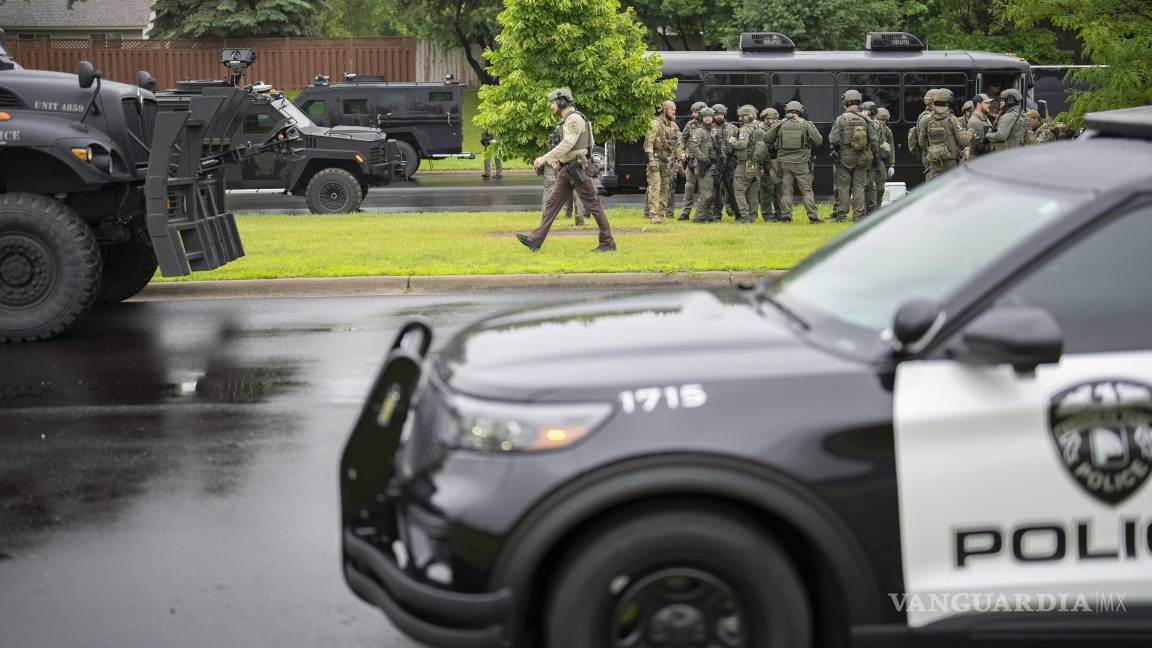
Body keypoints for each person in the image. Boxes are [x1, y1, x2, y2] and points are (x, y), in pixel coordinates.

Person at [516, 88, 615, 252]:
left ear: (562, 102)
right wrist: (557, 160)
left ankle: (607, 242)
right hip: (567, 170)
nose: (551, 106)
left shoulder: (574, 118)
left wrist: (545, 158)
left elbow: (569, 143)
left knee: (593, 206)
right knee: (551, 205)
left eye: (552, 103)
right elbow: (568, 148)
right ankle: (535, 240)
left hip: (577, 169)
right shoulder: (567, 120)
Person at [764, 100, 823, 224]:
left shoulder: (780, 124)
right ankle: (813, 217)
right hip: (802, 163)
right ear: (800, 111)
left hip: (784, 164)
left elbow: (767, 138)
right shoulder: (806, 124)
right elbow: (818, 141)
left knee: (786, 191)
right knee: (806, 191)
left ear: (787, 111)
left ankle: (785, 217)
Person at [829, 89, 880, 222]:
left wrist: (838, 150)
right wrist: (875, 157)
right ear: (859, 103)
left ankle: (841, 216)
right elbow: (874, 141)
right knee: (859, 187)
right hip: (862, 158)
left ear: (845, 103)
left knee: (844, 187)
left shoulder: (841, 119)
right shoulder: (866, 120)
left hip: (844, 157)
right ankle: (859, 216)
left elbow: (833, 139)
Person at [643, 99, 681, 223]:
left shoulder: (674, 126)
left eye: (675, 109)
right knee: (655, 186)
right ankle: (653, 214)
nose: (674, 112)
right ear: (664, 110)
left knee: (665, 187)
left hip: (668, 162)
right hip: (656, 160)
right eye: (672, 109)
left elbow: (678, 144)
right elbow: (648, 143)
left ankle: (661, 214)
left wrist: (680, 158)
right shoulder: (655, 123)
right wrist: (651, 160)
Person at [917, 87, 965, 181]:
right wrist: (970, 132)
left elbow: (921, 142)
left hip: (934, 163)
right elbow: (961, 141)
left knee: (935, 191)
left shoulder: (927, 120)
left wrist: (933, 150)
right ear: (947, 103)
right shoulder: (953, 119)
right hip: (951, 164)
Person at [687, 106, 720, 223]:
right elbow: (692, 146)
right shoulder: (699, 131)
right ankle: (698, 218)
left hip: (712, 166)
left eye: (710, 117)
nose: (708, 119)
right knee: (706, 194)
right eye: (705, 117)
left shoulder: (713, 131)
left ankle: (708, 216)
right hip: (702, 166)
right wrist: (704, 158)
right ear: (701, 118)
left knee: (711, 194)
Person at [730, 105, 762, 223]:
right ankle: (753, 216)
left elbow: (742, 145)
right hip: (755, 163)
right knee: (753, 191)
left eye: (741, 115)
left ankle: (744, 216)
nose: (739, 118)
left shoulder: (744, 129)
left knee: (739, 190)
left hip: (744, 163)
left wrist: (734, 142)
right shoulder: (758, 127)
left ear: (747, 116)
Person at [677, 101, 707, 221]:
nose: (692, 114)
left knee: (703, 188)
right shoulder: (690, 124)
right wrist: (682, 152)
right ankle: (685, 213)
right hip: (691, 161)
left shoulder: (710, 125)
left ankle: (702, 213)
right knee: (689, 187)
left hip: (704, 162)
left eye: (695, 112)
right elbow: (682, 140)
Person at [710, 104, 740, 221]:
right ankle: (716, 215)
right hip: (715, 164)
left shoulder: (733, 128)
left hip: (730, 164)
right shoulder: (709, 128)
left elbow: (740, 143)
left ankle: (737, 213)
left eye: (721, 114)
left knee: (732, 190)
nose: (719, 117)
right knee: (716, 191)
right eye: (717, 114)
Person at [756, 107, 784, 222]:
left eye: (772, 119)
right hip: (766, 163)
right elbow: (759, 151)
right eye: (768, 119)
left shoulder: (781, 128)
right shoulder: (760, 130)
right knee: (766, 190)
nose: (770, 121)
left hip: (778, 163)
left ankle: (780, 213)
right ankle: (767, 215)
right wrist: (760, 167)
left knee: (779, 190)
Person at [907, 89, 936, 175]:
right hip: (929, 154)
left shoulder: (924, 115)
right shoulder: (927, 117)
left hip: (929, 153)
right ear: (932, 102)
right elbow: (923, 141)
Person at [873, 107, 895, 210]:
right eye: (880, 119)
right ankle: (867, 208)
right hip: (868, 160)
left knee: (881, 187)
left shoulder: (887, 131)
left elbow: (891, 147)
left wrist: (892, 165)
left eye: (884, 120)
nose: (882, 122)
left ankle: (877, 207)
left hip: (879, 160)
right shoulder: (870, 128)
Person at [966, 93, 995, 159]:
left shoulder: (984, 118)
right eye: (986, 103)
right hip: (977, 159)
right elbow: (978, 145)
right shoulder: (975, 122)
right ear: (979, 104)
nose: (989, 105)